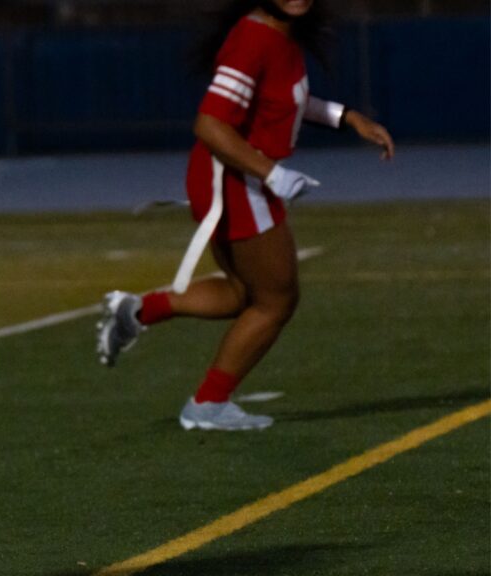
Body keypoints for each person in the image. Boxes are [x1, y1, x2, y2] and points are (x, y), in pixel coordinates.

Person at [96, 0, 394, 431]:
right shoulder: (255, 38)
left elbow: (282, 100)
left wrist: (346, 117)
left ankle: (137, 312)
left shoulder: (276, 33)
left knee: (243, 293)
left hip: (239, 176)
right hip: (236, 180)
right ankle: (207, 404)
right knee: (277, 300)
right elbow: (210, 125)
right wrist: (274, 174)